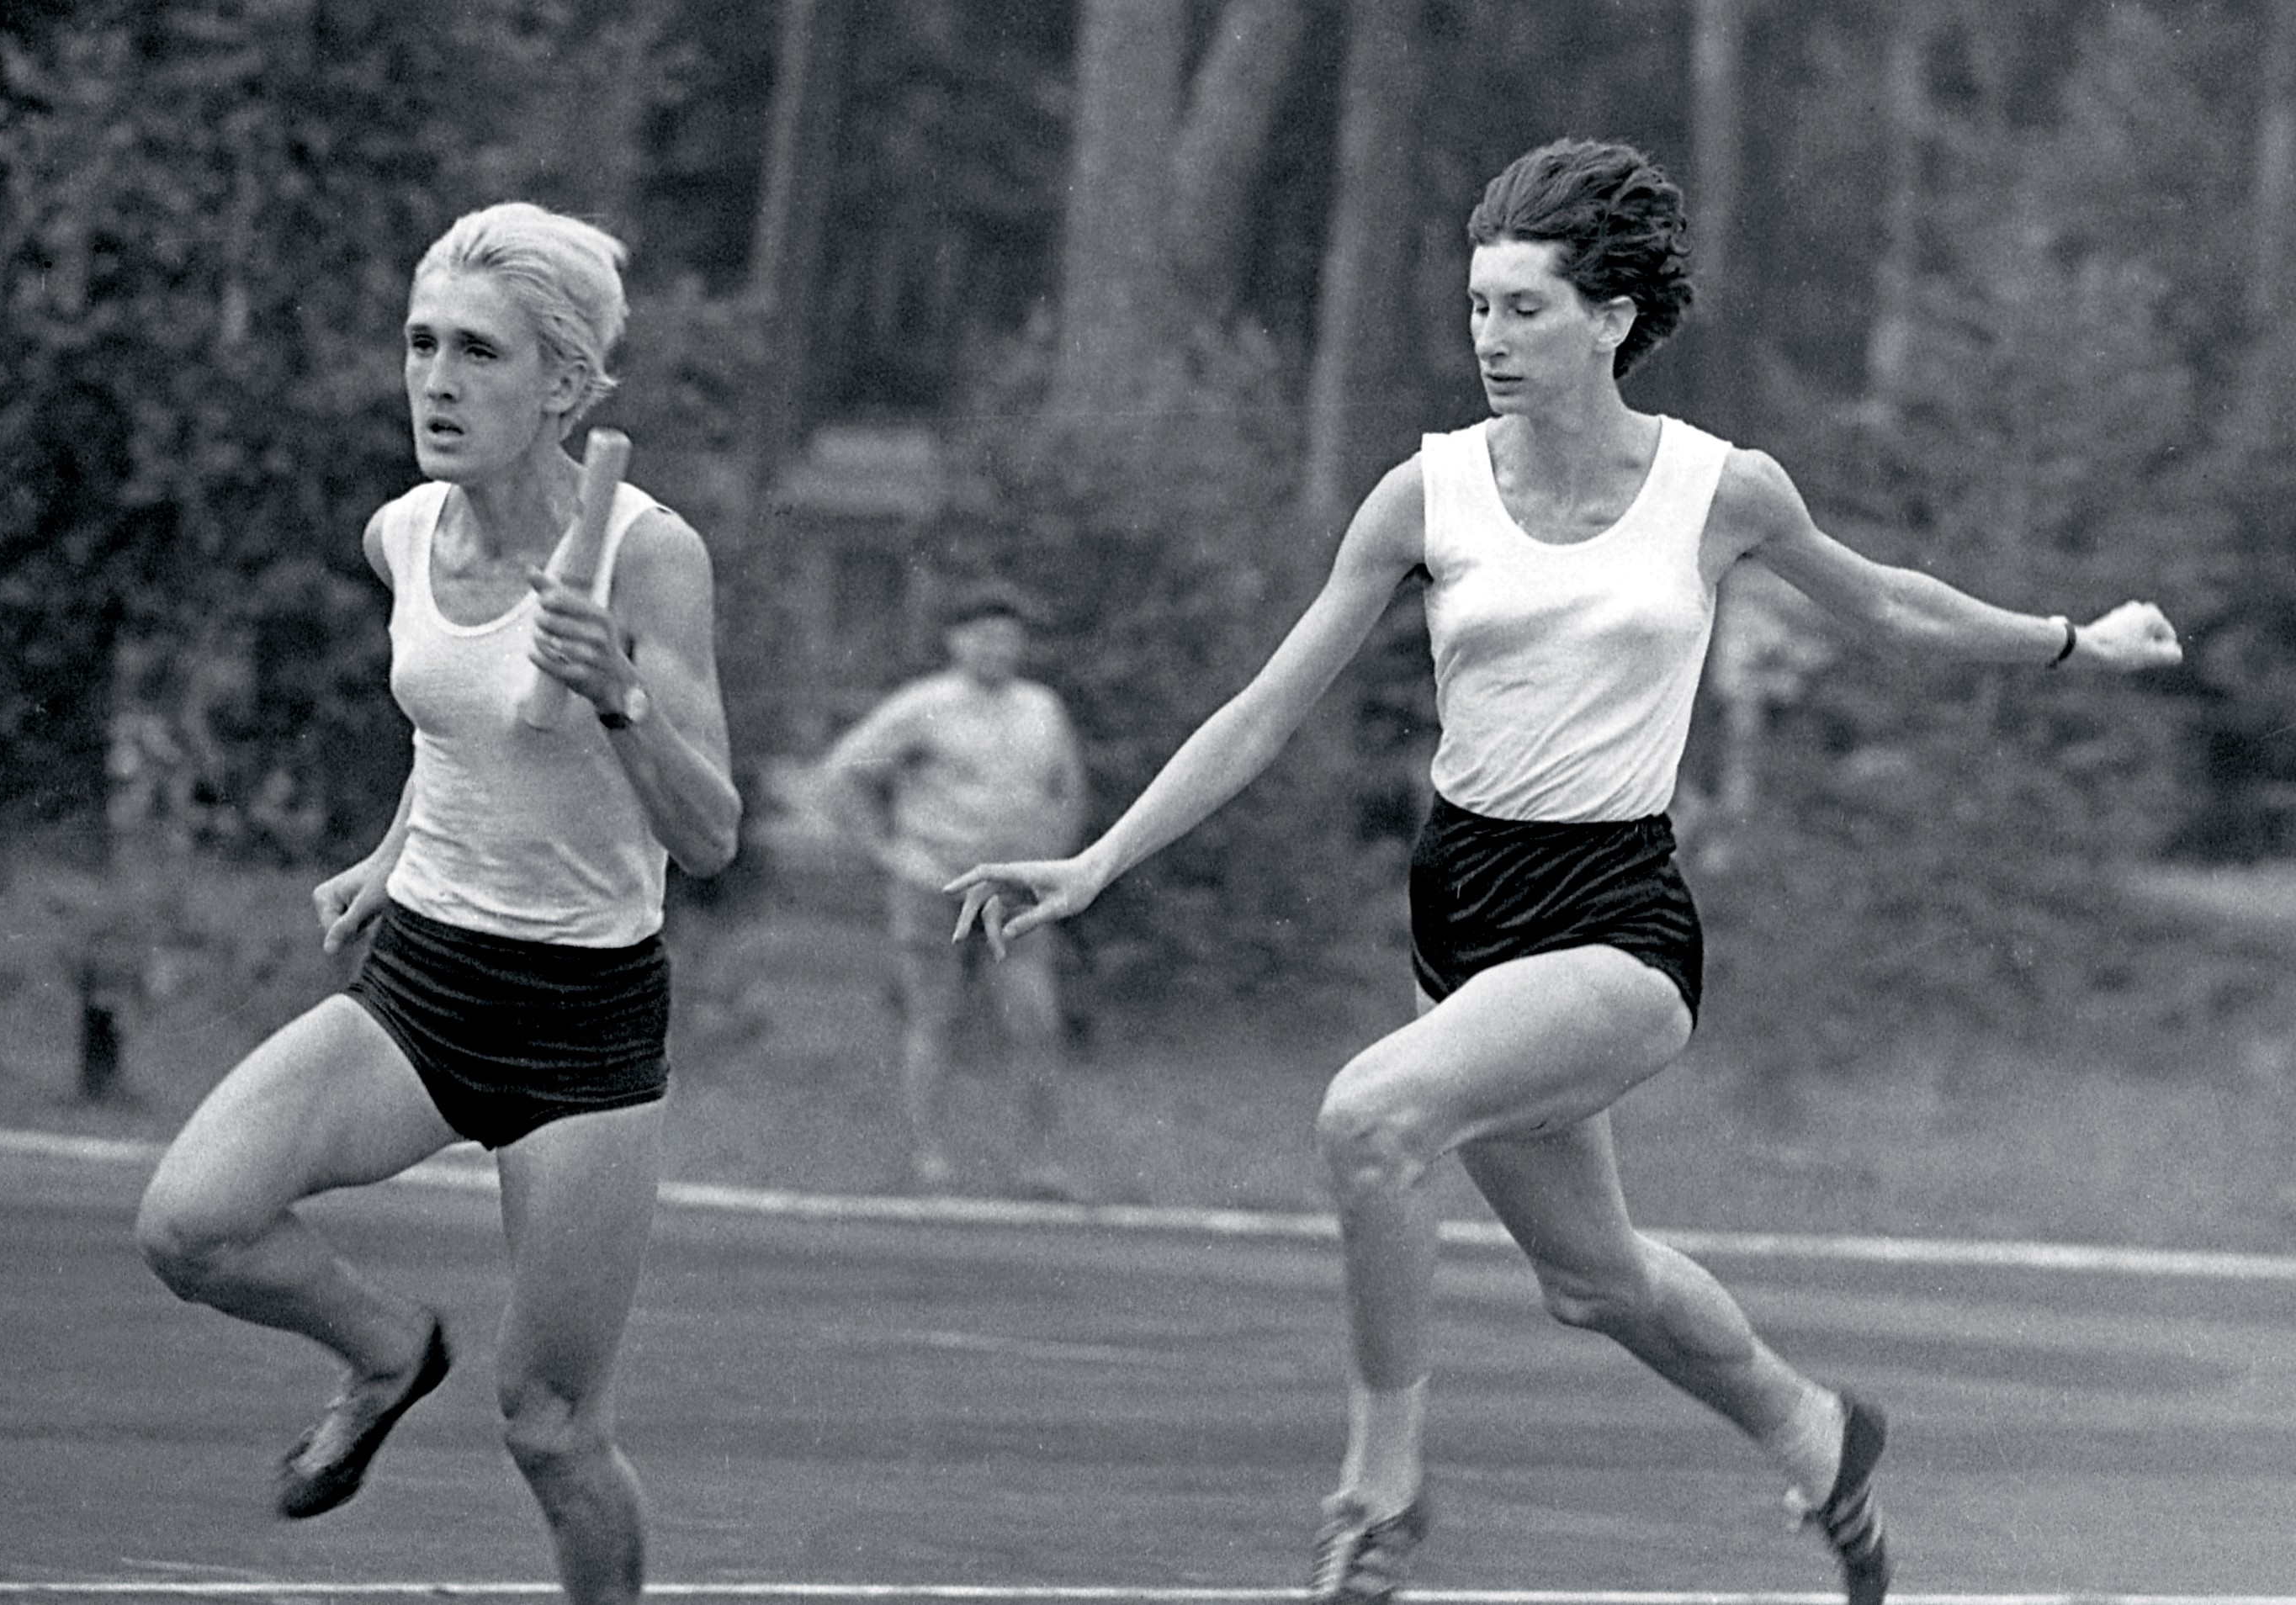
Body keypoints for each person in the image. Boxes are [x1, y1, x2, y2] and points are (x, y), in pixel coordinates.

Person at [947, 138, 2182, 1605]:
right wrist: (1099, 858)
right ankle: (1816, 1431)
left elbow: (1889, 608)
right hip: (1461, 912)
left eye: (1524, 308)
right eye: (1478, 306)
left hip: (1616, 923)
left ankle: (1379, 1497)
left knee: (1370, 1118)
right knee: (1593, 1283)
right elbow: (1267, 708)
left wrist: (2074, 640)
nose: (1490, 337)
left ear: (1610, 319)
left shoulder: (1721, 491)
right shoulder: (1423, 495)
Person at [134, 203, 738, 1605]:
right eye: (421, 344)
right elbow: (455, 722)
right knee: (191, 1224)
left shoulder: (648, 558)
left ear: (566, 385)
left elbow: (710, 835)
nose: (435, 380)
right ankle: (386, 1351)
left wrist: (618, 694)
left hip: (582, 1024)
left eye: (477, 351)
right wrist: (390, 845)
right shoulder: (400, 534)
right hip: (421, 981)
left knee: (552, 1429)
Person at [822, 582, 1085, 1194]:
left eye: (1008, 637)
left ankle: (1039, 1163)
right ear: (956, 641)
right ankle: (929, 1158)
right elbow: (843, 773)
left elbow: (1068, 788)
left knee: (1035, 1019)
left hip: (1015, 890)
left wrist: (1058, 858)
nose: (996, 648)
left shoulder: (1041, 707)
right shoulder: (925, 705)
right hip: (931, 882)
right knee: (933, 1018)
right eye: (983, 636)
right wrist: (882, 850)